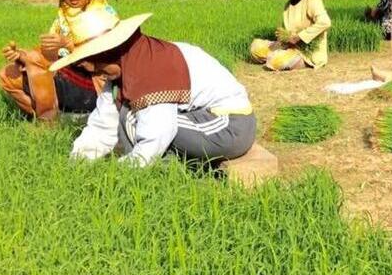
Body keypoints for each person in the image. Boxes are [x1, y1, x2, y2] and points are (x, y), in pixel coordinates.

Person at [49, 9, 256, 167]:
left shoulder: (150, 66)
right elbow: (103, 124)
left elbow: (159, 130)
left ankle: (156, 170)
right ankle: (167, 166)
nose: (95, 72)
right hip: (198, 118)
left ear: (109, 53)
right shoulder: (124, 67)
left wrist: (127, 172)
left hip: (229, 125)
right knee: (129, 114)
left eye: (94, 64)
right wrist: (76, 162)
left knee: (131, 116)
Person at [0, 0, 119, 120]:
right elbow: (47, 54)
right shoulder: (63, 18)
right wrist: (21, 56)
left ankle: (47, 122)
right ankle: (44, 118)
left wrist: (70, 46)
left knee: (35, 63)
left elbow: (109, 66)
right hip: (67, 76)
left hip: (94, 85)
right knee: (8, 75)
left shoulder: (103, 18)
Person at [250, 0, 332, 70]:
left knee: (275, 60)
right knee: (255, 47)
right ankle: (281, 56)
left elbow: (325, 22)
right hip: (290, 46)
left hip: (307, 52)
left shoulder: (312, 0)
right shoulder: (288, 5)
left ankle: (295, 60)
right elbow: (286, 32)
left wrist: (299, 37)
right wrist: (282, 38)